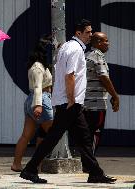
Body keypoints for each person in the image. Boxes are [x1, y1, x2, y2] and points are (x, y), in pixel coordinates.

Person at [20, 19, 117, 184]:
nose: (90, 35)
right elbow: (69, 75)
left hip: (70, 102)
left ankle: (95, 173)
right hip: (69, 102)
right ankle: (30, 169)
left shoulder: (67, 46)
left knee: (84, 138)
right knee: (55, 137)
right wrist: (72, 99)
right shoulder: (75, 49)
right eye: (87, 32)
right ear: (78, 33)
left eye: (91, 31)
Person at [11, 36, 53, 172]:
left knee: (27, 135)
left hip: (33, 99)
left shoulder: (37, 66)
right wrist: (39, 105)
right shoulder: (38, 67)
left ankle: (18, 164)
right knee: (52, 135)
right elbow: (38, 87)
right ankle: (35, 165)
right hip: (40, 99)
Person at [83, 32, 119, 157]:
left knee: (87, 133)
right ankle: (90, 162)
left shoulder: (87, 55)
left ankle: (87, 161)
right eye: (106, 41)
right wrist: (115, 96)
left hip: (86, 103)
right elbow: (104, 77)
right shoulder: (97, 56)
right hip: (96, 104)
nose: (108, 44)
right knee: (95, 133)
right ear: (98, 43)